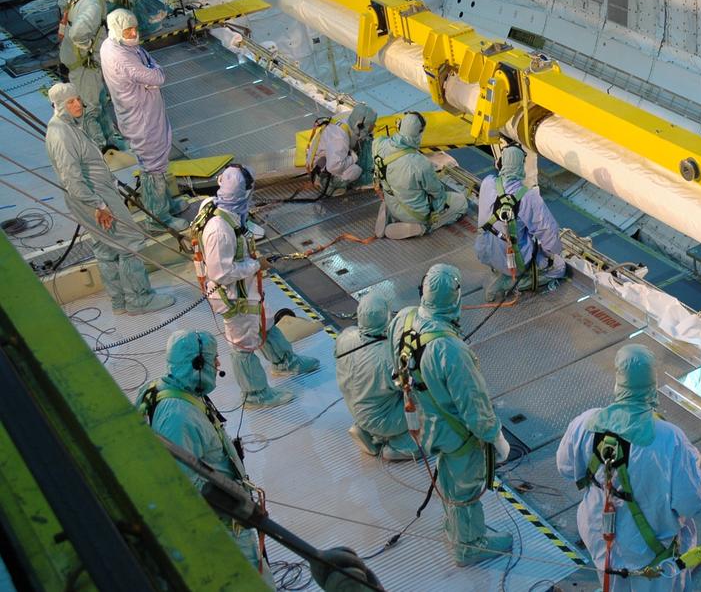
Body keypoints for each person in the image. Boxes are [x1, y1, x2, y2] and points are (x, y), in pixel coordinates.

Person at [557, 343, 701, 591]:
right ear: (652, 384)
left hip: (600, 537)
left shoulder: (586, 422)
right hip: (649, 552)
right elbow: (691, 502)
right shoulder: (670, 439)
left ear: (619, 381)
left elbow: (565, 467)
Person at [393, 263, 512, 565]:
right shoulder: (450, 350)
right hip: (455, 433)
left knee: (447, 476)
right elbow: (475, 406)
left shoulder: (403, 318)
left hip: (422, 421)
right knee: (464, 487)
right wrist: (496, 438)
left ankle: (455, 525)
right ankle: (469, 546)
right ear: (456, 297)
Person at [135, 330, 275, 586]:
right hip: (224, 523)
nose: (218, 364)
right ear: (197, 364)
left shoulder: (166, 388)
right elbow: (187, 485)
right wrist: (240, 506)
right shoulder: (178, 417)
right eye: (213, 359)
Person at [45, 82, 176, 315]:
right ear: (58, 105)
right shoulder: (62, 134)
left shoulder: (66, 126)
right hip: (94, 196)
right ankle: (139, 299)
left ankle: (119, 301)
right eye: (70, 102)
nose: (78, 104)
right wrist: (99, 205)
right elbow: (72, 178)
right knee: (130, 241)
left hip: (90, 196)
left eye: (78, 99)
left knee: (105, 247)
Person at [195, 165, 319, 409]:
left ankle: (284, 362)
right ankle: (255, 395)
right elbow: (220, 273)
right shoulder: (219, 231)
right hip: (232, 296)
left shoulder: (221, 208)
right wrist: (254, 265)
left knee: (265, 321)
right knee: (242, 345)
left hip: (246, 288)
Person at [100, 9, 183, 228]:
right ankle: (158, 217)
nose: (134, 33)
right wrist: (153, 72)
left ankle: (166, 204)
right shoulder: (121, 57)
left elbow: (148, 64)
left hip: (143, 113)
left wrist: (151, 72)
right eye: (128, 30)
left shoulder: (113, 44)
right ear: (117, 29)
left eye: (135, 28)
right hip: (142, 119)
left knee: (158, 161)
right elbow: (157, 76)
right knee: (153, 165)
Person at [334, 287, 417, 461]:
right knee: (428, 402)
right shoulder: (389, 358)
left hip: (358, 411)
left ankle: (366, 431)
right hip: (384, 419)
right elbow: (411, 386)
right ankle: (401, 445)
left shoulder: (345, 337)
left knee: (376, 394)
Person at [474, 145, 565, 301]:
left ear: (501, 163)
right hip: (514, 262)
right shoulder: (529, 197)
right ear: (521, 166)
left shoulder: (487, 183)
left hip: (485, 252)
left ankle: (501, 272)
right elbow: (551, 237)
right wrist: (550, 254)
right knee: (559, 266)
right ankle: (515, 282)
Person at [59, 0, 130, 150]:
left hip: (80, 59)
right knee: (90, 107)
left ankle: (109, 139)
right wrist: (87, 46)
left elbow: (62, 2)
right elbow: (77, 33)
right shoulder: (94, 7)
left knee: (100, 100)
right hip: (83, 64)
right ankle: (99, 148)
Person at [372, 111, 467, 239]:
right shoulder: (420, 163)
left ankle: (390, 213)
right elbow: (437, 192)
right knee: (460, 202)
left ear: (400, 126)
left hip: (391, 201)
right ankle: (424, 227)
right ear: (419, 133)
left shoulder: (378, 144)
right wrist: (439, 208)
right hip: (414, 214)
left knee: (394, 188)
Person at [306, 103, 376, 193]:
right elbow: (334, 167)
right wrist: (353, 157)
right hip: (321, 165)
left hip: (330, 155)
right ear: (359, 125)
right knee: (356, 170)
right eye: (370, 126)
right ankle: (330, 184)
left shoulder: (351, 117)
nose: (372, 128)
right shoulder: (340, 138)